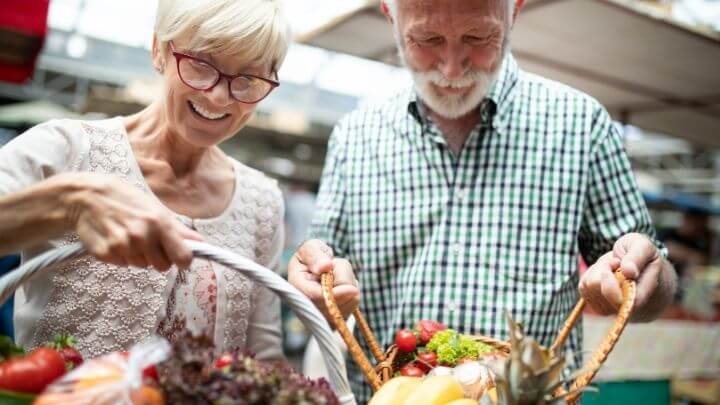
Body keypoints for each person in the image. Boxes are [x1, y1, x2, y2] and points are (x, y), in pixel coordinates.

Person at [288, 0, 678, 400]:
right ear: (389, 13)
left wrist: (645, 278)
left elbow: (652, 287)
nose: (452, 68)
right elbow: (323, 286)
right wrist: (313, 284)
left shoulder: (582, 126)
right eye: (426, 38)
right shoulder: (355, 136)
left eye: (479, 37)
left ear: (516, 11)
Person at [0, 0, 289, 360]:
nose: (218, 96)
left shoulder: (262, 202)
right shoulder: (67, 149)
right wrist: (68, 204)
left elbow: (263, 354)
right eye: (201, 65)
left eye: (247, 79)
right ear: (158, 51)